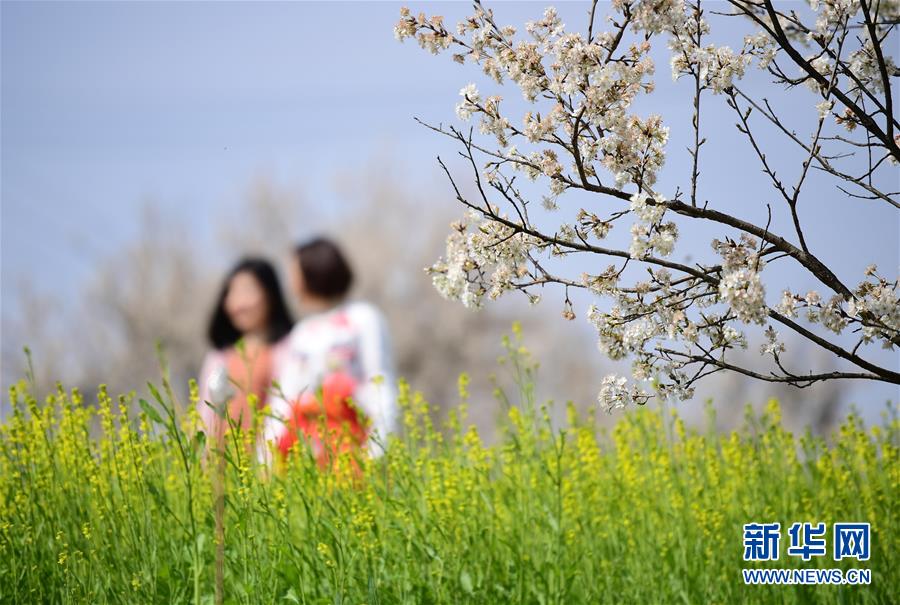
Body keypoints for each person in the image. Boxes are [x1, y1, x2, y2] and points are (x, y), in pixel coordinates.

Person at [265, 237, 398, 469]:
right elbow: (284, 396)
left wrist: (378, 450)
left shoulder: (363, 318)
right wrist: (266, 456)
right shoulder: (302, 333)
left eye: (294, 273)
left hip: (354, 444)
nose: (291, 283)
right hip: (305, 453)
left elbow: (378, 382)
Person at [197, 258, 294, 448]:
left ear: (270, 295)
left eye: (247, 291)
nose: (238, 303)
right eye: (231, 292)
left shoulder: (289, 349)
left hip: (274, 464)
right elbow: (204, 414)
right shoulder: (219, 357)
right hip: (223, 466)